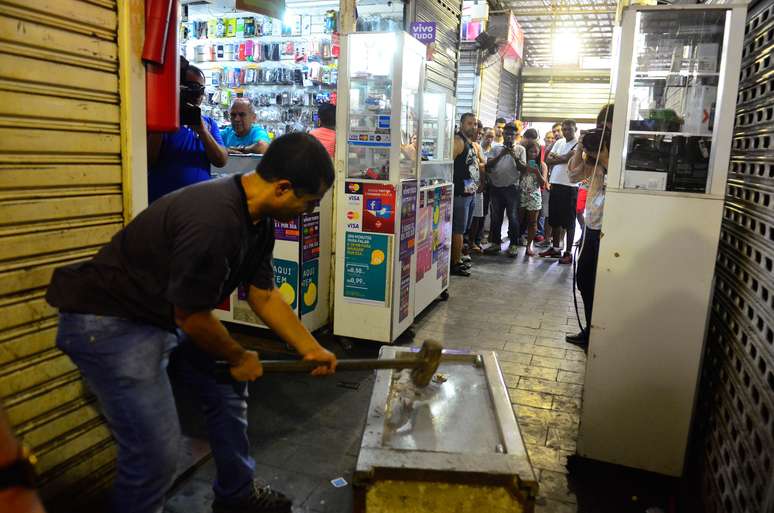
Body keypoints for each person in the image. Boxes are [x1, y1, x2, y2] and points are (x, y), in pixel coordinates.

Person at [45, 133, 338, 513]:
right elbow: (193, 316)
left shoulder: (258, 220)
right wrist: (238, 355)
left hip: (161, 314)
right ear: (283, 188)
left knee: (227, 389)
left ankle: (237, 496)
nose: (308, 211)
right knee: (155, 457)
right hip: (109, 323)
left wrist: (309, 347)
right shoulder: (215, 220)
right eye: (309, 202)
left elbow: (263, 294)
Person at [147, 58, 229, 203]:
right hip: (165, 205)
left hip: (198, 206)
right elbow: (149, 160)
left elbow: (221, 160)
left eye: (201, 89)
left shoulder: (208, 124)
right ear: (178, 87)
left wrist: (203, 131)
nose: (198, 94)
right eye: (192, 87)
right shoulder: (163, 121)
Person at [566, 104, 614, 347]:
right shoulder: (592, 156)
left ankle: (603, 334)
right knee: (584, 280)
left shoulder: (625, 154)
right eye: (600, 129)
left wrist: (605, 156)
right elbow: (573, 176)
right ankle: (590, 330)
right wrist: (582, 147)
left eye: (607, 130)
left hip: (612, 231)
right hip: (591, 228)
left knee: (606, 285)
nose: (602, 135)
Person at [484, 122, 526, 258]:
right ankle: (496, 243)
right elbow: (488, 165)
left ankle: (513, 244)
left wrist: (513, 155)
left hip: (512, 188)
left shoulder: (520, 150)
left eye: (512, 134)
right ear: (503, 134)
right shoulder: (496, 149)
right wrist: (501, 154)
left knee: (513, 217)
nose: (509, 136)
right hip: (496, 187)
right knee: (496, 217)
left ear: (516, 135)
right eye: (506, 134)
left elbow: (523, 169)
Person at [541, 120, 579, 265]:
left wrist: (560, 158)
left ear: (575, 129)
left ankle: (568, 252)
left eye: (569, 129)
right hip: (555, 184)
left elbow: (567, 159)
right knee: (554, 219)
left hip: (570, 186)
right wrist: (562, 158)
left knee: (569, 221)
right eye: (564, 129)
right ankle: (555, 248)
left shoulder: (577, 145)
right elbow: (547, 159)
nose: (565, 132)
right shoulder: (559, 142)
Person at [451, 113, 480, 276]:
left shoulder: (471, 143)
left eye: (475, 124)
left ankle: (458, 257)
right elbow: (448, 164)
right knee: (458, 230)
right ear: (461, 124)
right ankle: (454, 263)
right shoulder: (458, 141)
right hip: (460, 194)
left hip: (469, 193)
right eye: (470, 123)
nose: (473, 127)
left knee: (463, 230)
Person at [467, 127, 497, 249]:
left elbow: (484, 165)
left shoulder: (493, 149)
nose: (489, 139)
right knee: (470, 212)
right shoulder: (473, 146)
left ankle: (476, 239)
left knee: (481, 213)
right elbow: (481, 165)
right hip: (470, 182)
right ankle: (468, 239)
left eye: (492, 137)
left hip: (485, 184)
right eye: (486, 136)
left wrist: (483, 183)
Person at [520, 141, 548, 257]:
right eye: (530, 151)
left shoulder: (542, 165)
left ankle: (529, 246)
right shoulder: (522, 163)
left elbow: (543, 183)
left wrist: (537, 172)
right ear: (526, 152)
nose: (533, 154)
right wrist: (524, 169)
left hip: (535, 196)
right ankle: (516, 242)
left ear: (539, 152)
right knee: (519, 220)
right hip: (522, 194)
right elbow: (518, 177)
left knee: (533, 222)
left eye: (535, 152)